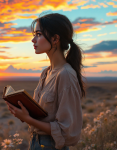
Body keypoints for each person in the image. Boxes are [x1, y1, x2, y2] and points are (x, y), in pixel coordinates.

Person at [6, 13, 86, 150]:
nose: (33, 40)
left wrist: (28, 119)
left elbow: (65, 132)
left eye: (38, 34)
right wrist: (22, 111)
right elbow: (44, 116)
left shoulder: (66, 75)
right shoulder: (46, 73)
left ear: (55, 39)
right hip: (36, 143)